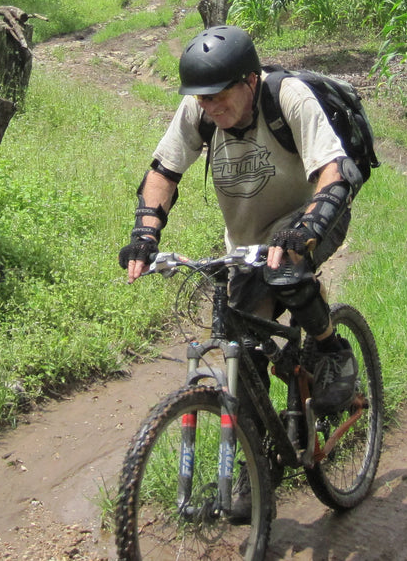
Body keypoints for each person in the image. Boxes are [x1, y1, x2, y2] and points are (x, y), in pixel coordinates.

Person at [119, 24, 362, 413]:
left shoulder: (287, 97)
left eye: (219, 97)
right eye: (202, 100)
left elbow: (333, 172)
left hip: (311, 219)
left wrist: (304, 230)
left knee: (285, 271)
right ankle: (257, 455)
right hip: (248, 243)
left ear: (249, 80)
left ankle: (332, 350)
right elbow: (163, 172)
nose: (210, 108)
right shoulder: (200, 108)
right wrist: (145, 235)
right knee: (244, 355)